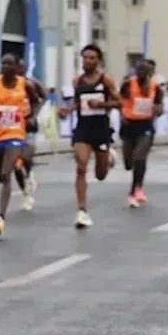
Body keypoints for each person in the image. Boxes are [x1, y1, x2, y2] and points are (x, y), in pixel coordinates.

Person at [56, 44, 119, 228]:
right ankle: (82, 211)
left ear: (98, 60)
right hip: (83, 128)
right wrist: (67, 111)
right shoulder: (77, 81)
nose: (88, 61)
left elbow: (119, 103)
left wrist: (101, 105)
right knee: (81, 166)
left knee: (100, 175)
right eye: (85, 58)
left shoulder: (105, 80)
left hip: (101, 129)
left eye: (92, 58)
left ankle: (108, 157)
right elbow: (77, 103)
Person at [0, 54, 40, 237]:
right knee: (1, 176)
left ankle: (0, 218)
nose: (6, 66)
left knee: (6, 174)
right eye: (3, 63)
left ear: (17, 66)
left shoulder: (26, 85)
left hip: (16, 133)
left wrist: (31, 116)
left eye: (10, 63)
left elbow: (37, 100)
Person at [118, 58, 162, 206]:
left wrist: (158, 110)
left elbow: (159, 106)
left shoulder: (156, 88)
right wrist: (121, 115)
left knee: (139, 156)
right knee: (129, 163)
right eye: (139, 70)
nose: (141, 73)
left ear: (150, 72)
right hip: (129, 124)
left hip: (145, 126)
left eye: (145, 70)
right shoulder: (128, 84)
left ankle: (135, 190)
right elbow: (119, 101)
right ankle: (138, 186)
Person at [12, 57, 46, 210]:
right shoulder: (5, 84)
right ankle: (25, 193)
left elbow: (42, 96)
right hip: (11, 128)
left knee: (25, 156)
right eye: (17, 68)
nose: (19, 71)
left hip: (28, 127)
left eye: (22, 68)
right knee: (15, 164)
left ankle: (30, 172)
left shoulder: (30, 84)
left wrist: (33, 115)